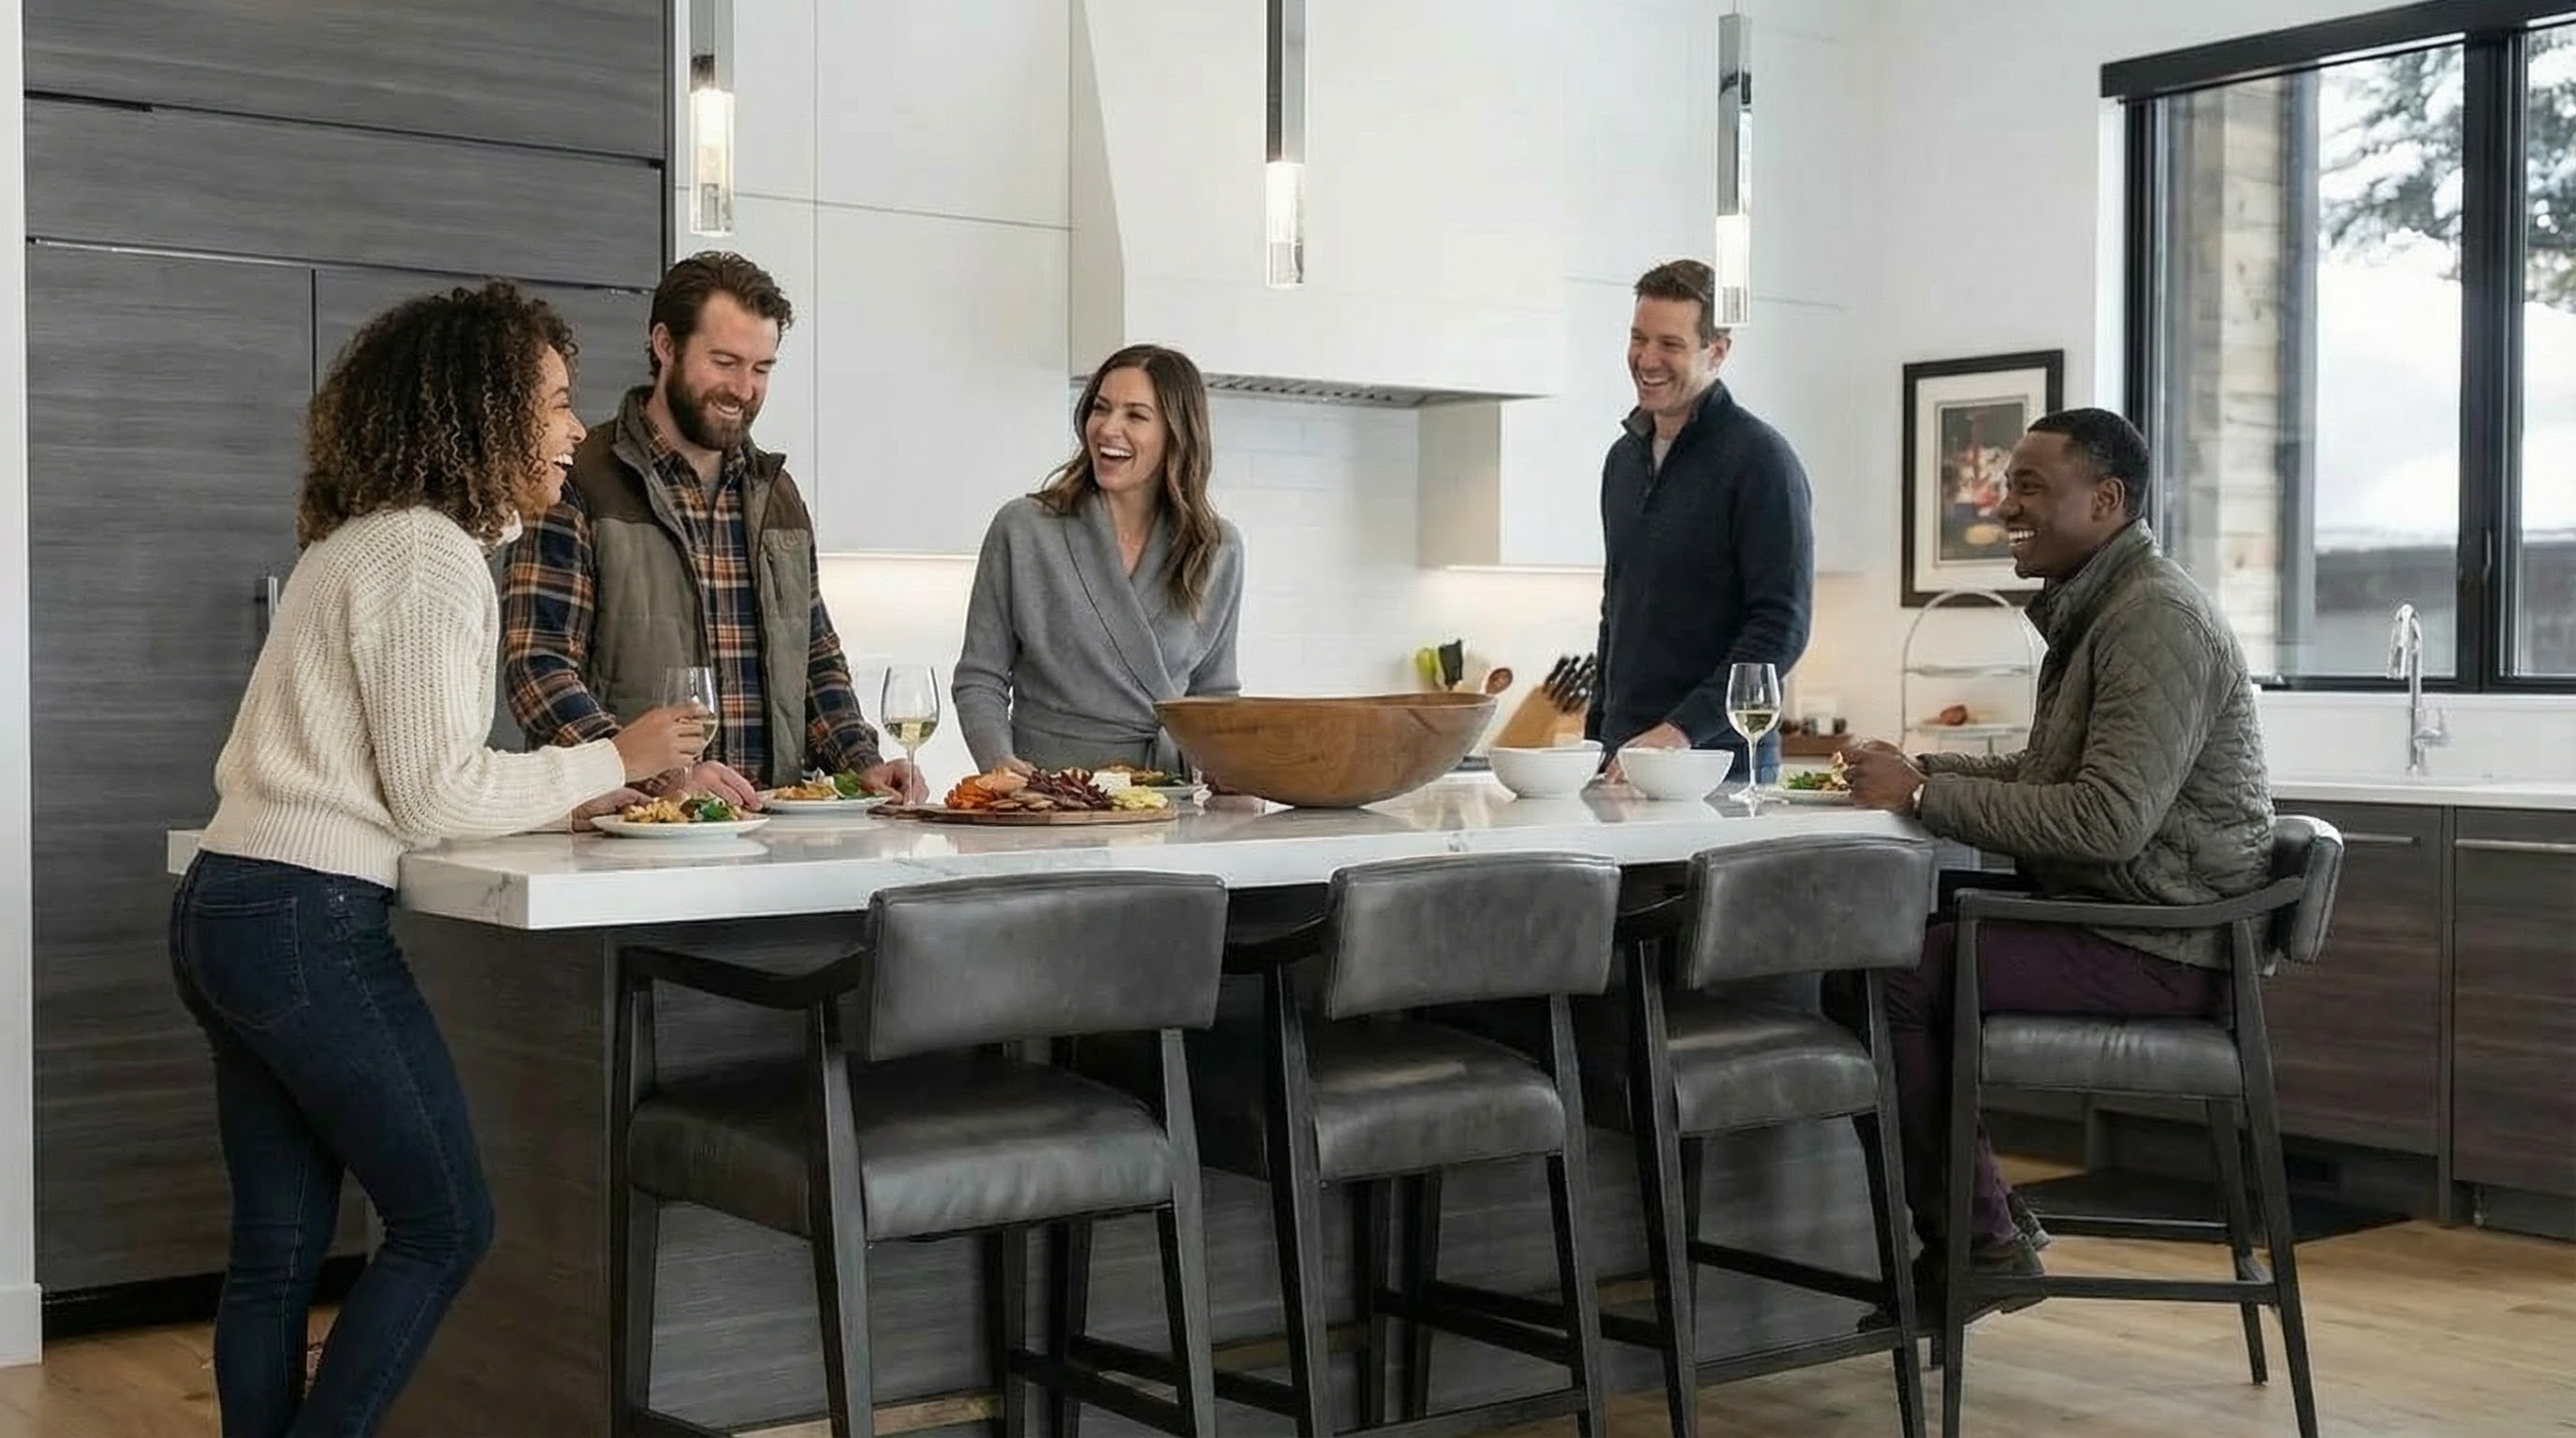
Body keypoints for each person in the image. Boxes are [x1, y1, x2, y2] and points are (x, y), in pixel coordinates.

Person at [170, 283, 708, 1436]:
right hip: (306, 924)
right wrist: (609, 755)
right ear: (481, 411)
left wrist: (570, 792)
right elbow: (432, 796)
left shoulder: (359, 541)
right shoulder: (427, 556)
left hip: (231, 904)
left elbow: (418, 778)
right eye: (555, 404)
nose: (573, 431)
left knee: (276, 1251)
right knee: (447, 1222)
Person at [1837, 406, 2275, 1307]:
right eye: (2008, 486)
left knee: (1891, 976)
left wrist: (1922, 796)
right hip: (2133, 919)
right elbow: (2050, 774)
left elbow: (2107, 820)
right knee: (1889, 948)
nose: (2005, 506)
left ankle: (1982, 1245)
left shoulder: (2153, 620)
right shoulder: (2105, 608)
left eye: (2030, 486)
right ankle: (1989, 1229)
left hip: (2166, 946)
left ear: (2106, 500)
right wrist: (1924, 769)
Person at [501, 252, 925, 807]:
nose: (744, 389)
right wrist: (659, 779)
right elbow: (539, 671)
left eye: (762, 368)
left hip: (773, 835)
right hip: (632, 838)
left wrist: (863, 763)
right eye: (724, 362)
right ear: (665, 345)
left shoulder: (778, 492)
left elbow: (817, 664)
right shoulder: (580, 479)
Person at [953, 344, 1244, 775]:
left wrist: (1232, 776)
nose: (1108, 428)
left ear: (1176, 434)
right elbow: (980, 677)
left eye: (1136, 416)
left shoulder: (1216, 547)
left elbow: (1216, 694)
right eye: (1101, 409)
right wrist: (1001, 765)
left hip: (1166, 796)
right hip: (1050, 795)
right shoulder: (1025, 528)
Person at [1586, 258, 1815, 784]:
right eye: (1638, 338)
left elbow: (1781, 627)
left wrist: (1680, 731)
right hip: (1622, 761)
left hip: (1721, 768)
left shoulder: (1761, 461)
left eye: (1670, 344)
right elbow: (1615, 611)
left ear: (1718, 351)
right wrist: (1597, 737)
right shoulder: (1622, 461)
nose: (1647, 359)